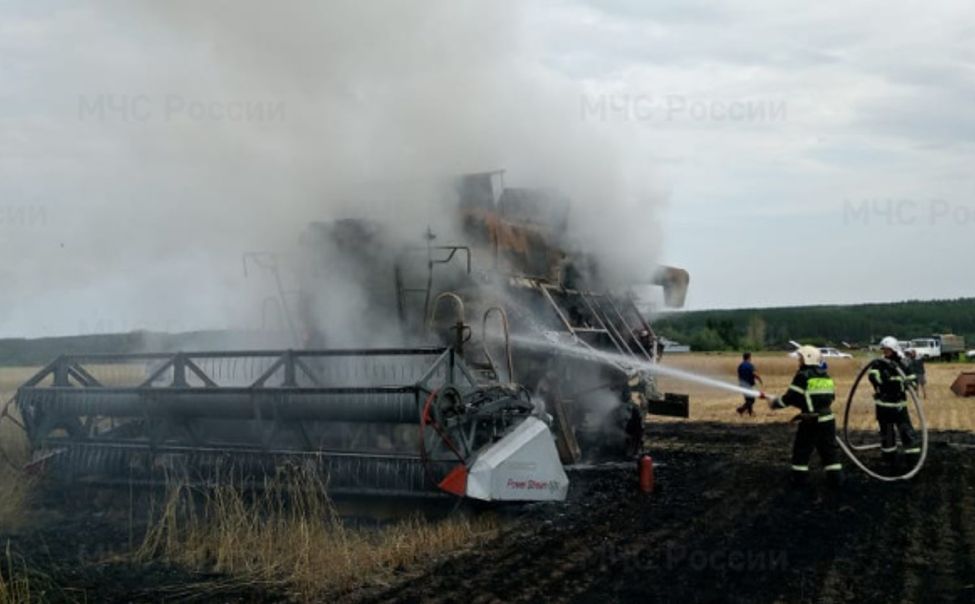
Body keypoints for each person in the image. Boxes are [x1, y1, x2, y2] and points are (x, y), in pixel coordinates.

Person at [768, 345, 843, 487]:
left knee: (801, 450)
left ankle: (799, 480)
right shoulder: (826, 376)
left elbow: (790, 398)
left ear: (808, 358)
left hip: (811, 421)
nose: (799, 361)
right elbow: (827, 398)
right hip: (828, 419)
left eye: (801, 358)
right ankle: (837, 480)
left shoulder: (803, 376)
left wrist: (775, 403)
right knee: (829, 451)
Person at [868, 337, 921, 465]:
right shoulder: (878, 364)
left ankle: (913, 460)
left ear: (894, 349)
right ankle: (889, 460)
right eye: (884, 350)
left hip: (899, 406)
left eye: (888, 350)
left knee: (906, 432)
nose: (885, 352)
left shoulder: (902, 364)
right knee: (887, 435)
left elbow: (913, 381)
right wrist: (889, 380)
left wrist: (908, 383)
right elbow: (874, 378)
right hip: (883, 406)